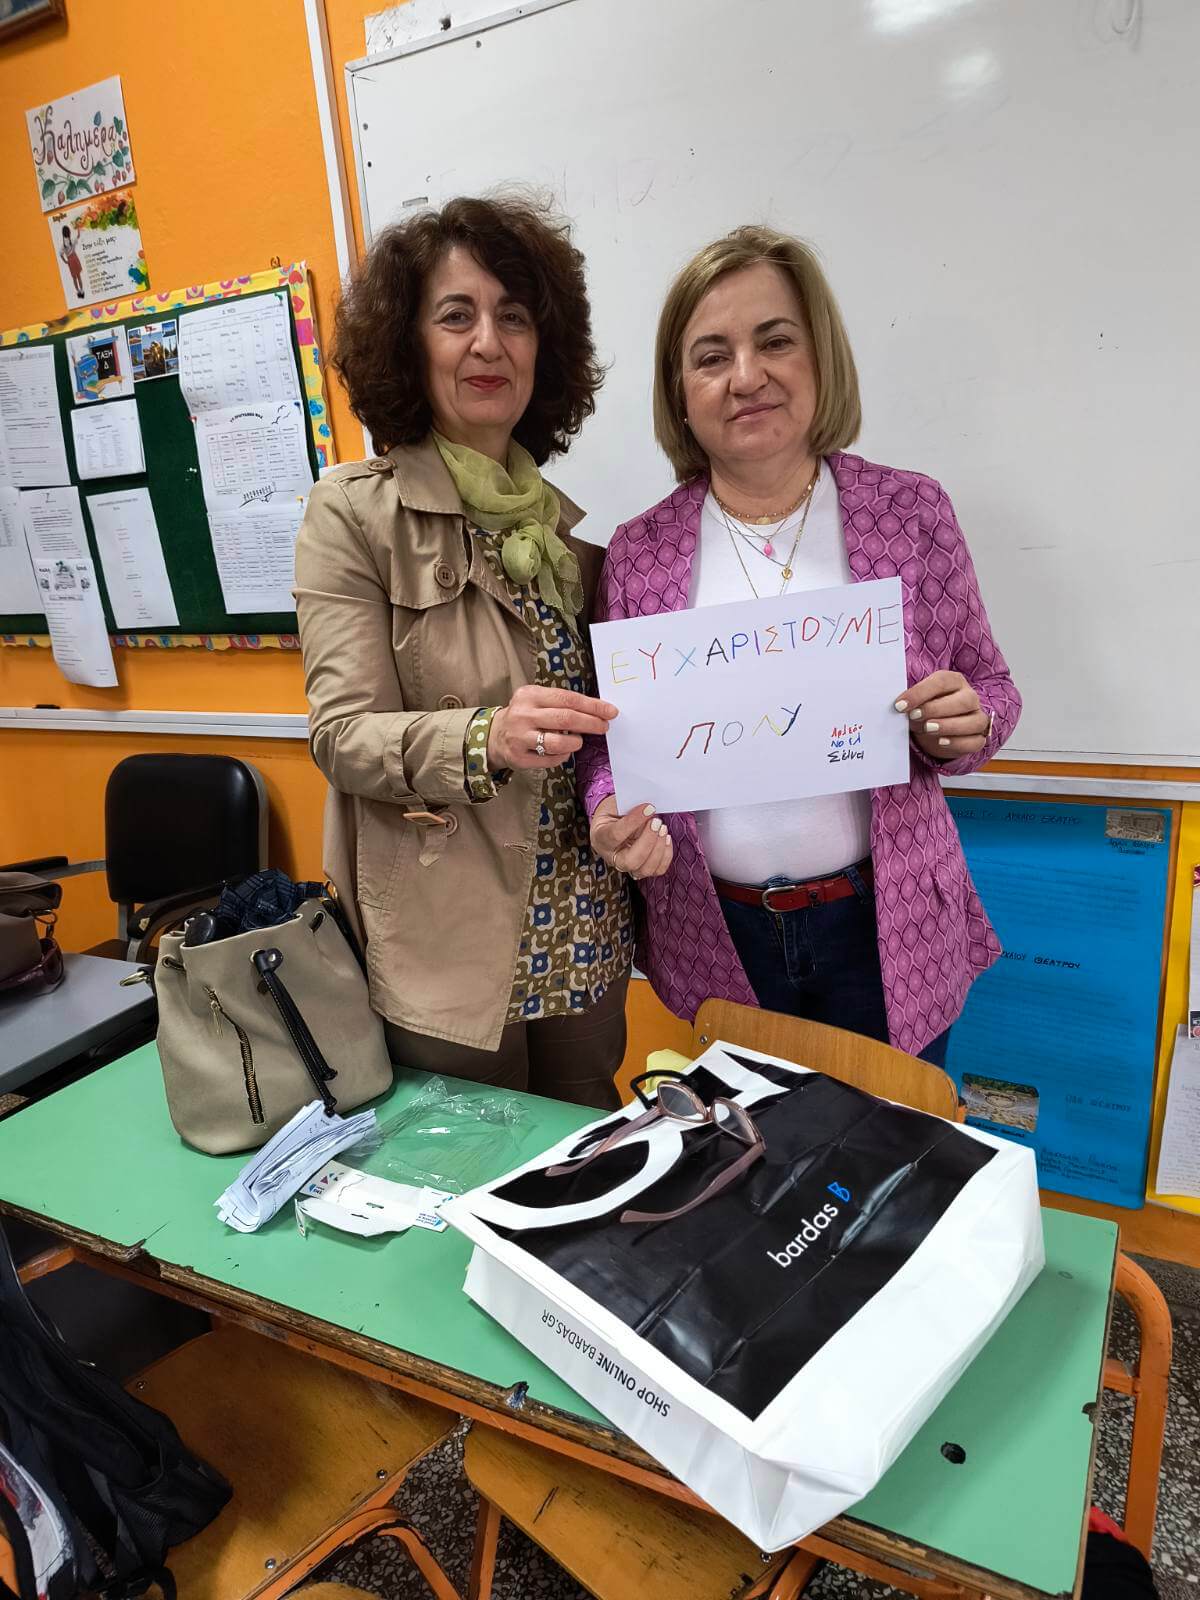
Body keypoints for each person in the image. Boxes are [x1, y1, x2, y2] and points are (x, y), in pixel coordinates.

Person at [577, 225, 1021, 1066]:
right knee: (753, 1144)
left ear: (820, 357)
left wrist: (968, 724)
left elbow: (990, 687)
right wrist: (607, 808)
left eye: (775, 341)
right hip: (719, 931)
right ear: (680, 393)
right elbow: (610, 743)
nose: (746, 376)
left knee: (892, 1139)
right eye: (711, 356)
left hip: (885, 926)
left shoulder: (910, 513)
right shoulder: (640, 553)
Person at [295, 197, 632, 1108]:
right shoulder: (352, 514)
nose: (489, 342)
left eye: (514, 317)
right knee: (465, 1176)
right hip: (447, 940)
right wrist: (484, 737)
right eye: (456, 315)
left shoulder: (569, 542)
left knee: (590, 1161)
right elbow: (341, 736)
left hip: (585, 922)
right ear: (409, 344)